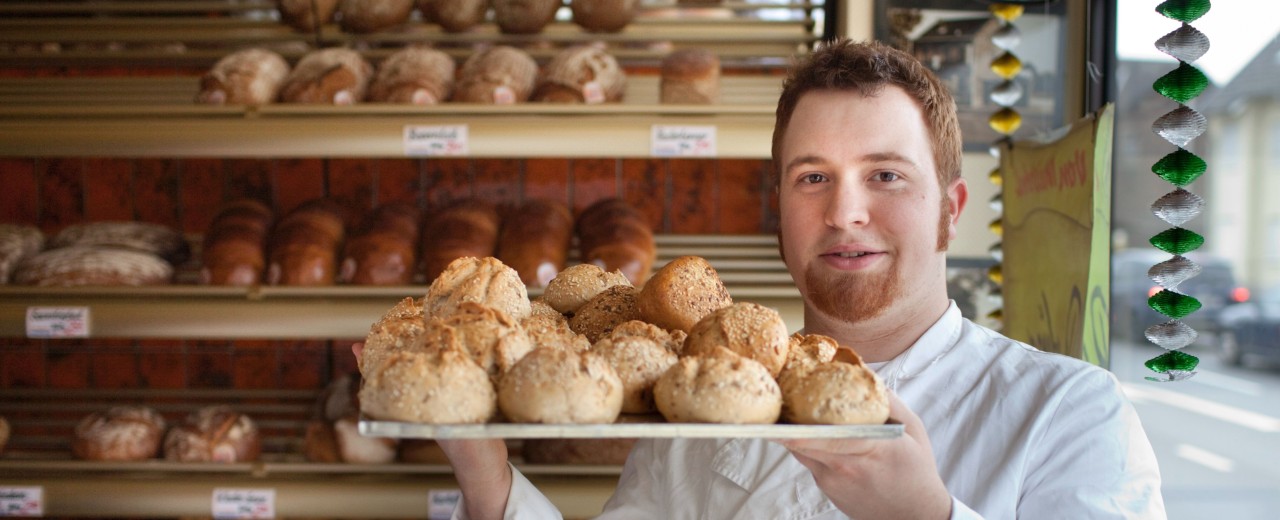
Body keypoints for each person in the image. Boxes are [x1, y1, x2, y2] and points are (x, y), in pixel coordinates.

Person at [368, 38, 1165, 519]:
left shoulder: (1069, 413)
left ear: (951, 210)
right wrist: (488, 479)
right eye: (812, 178)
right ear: (778, 209)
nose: (845, 212)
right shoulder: (700, 400)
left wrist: (924, 515)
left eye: (885, 176)